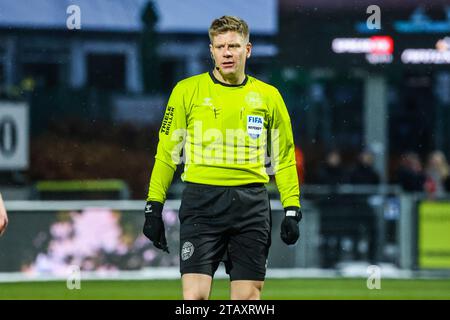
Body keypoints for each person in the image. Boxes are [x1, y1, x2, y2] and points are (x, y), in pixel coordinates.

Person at [143, 16, 301, 300]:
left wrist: (292, 208)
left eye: (234, 46)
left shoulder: (269, 97)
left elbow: (284, 157)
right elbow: (167, 154)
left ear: (248, 50)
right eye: (220, 46)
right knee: (195, 299)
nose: (227, 52)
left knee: (246, 301)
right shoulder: (186, 91)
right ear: (211, 51)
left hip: (251, 206)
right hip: (201, 205)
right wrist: (154, 206)